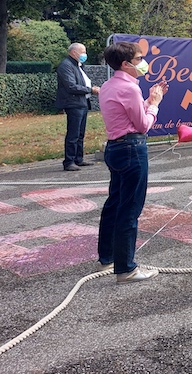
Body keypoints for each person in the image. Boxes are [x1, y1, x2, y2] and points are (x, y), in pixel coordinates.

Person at [97, 41, 168, 283]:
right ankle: (126, 268)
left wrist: (149, 100)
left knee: (114, 203)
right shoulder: (129, 89)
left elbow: (128, 115)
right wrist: (155, 105)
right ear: (126, 64)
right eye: (139, 59)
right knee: (130, 208)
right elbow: (143, 125)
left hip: (115, 148)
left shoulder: (108, 86)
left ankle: (107, 257)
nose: (143, 63)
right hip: (131, 149)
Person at [55, 43, 100, 171]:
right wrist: (90, 90)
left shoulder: (77, 66)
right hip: (73, 103)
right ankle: (69, 161)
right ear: (74, 52)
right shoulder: (66, 66)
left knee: (80, 133)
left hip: (81, 103)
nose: (84, 54)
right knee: (73, 134)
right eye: (83, 52)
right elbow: (71, 86)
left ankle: (78, 159)